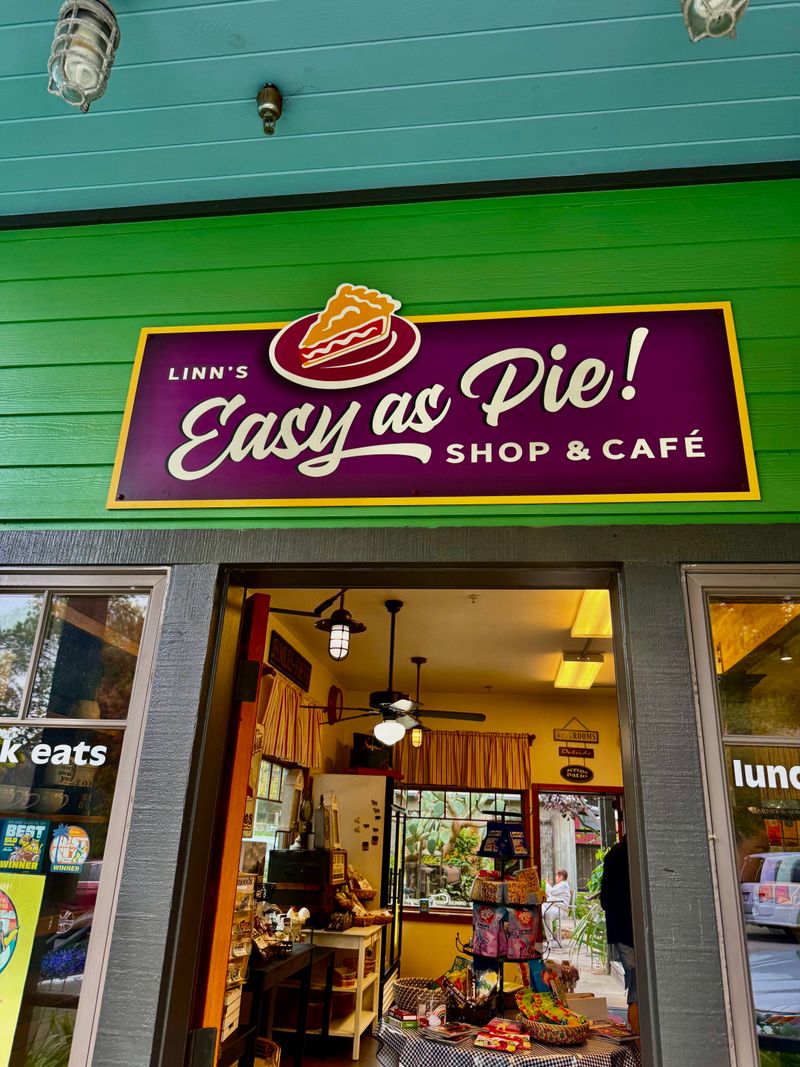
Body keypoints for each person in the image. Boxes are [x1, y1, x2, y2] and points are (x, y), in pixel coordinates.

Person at [599, 836, 639, 1034]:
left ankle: (635, 1017)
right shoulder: (624, 856)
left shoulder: (614, 856)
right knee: (636, 974)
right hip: (628, 924)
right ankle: (636, 1017)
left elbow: (605, 898)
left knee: (634, 972)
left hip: (620, 925)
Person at [542, 869, 572, 942]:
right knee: (542, 906)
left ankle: (550, 940)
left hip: (561, 909)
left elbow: (551, 892)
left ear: (561, 876)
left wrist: (547, 883)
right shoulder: (558, 885)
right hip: (554, 906)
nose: (555, 877)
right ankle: (541, 914)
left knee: (547, 914)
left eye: (556, 876)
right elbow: (550, 894)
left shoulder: (564, 885)